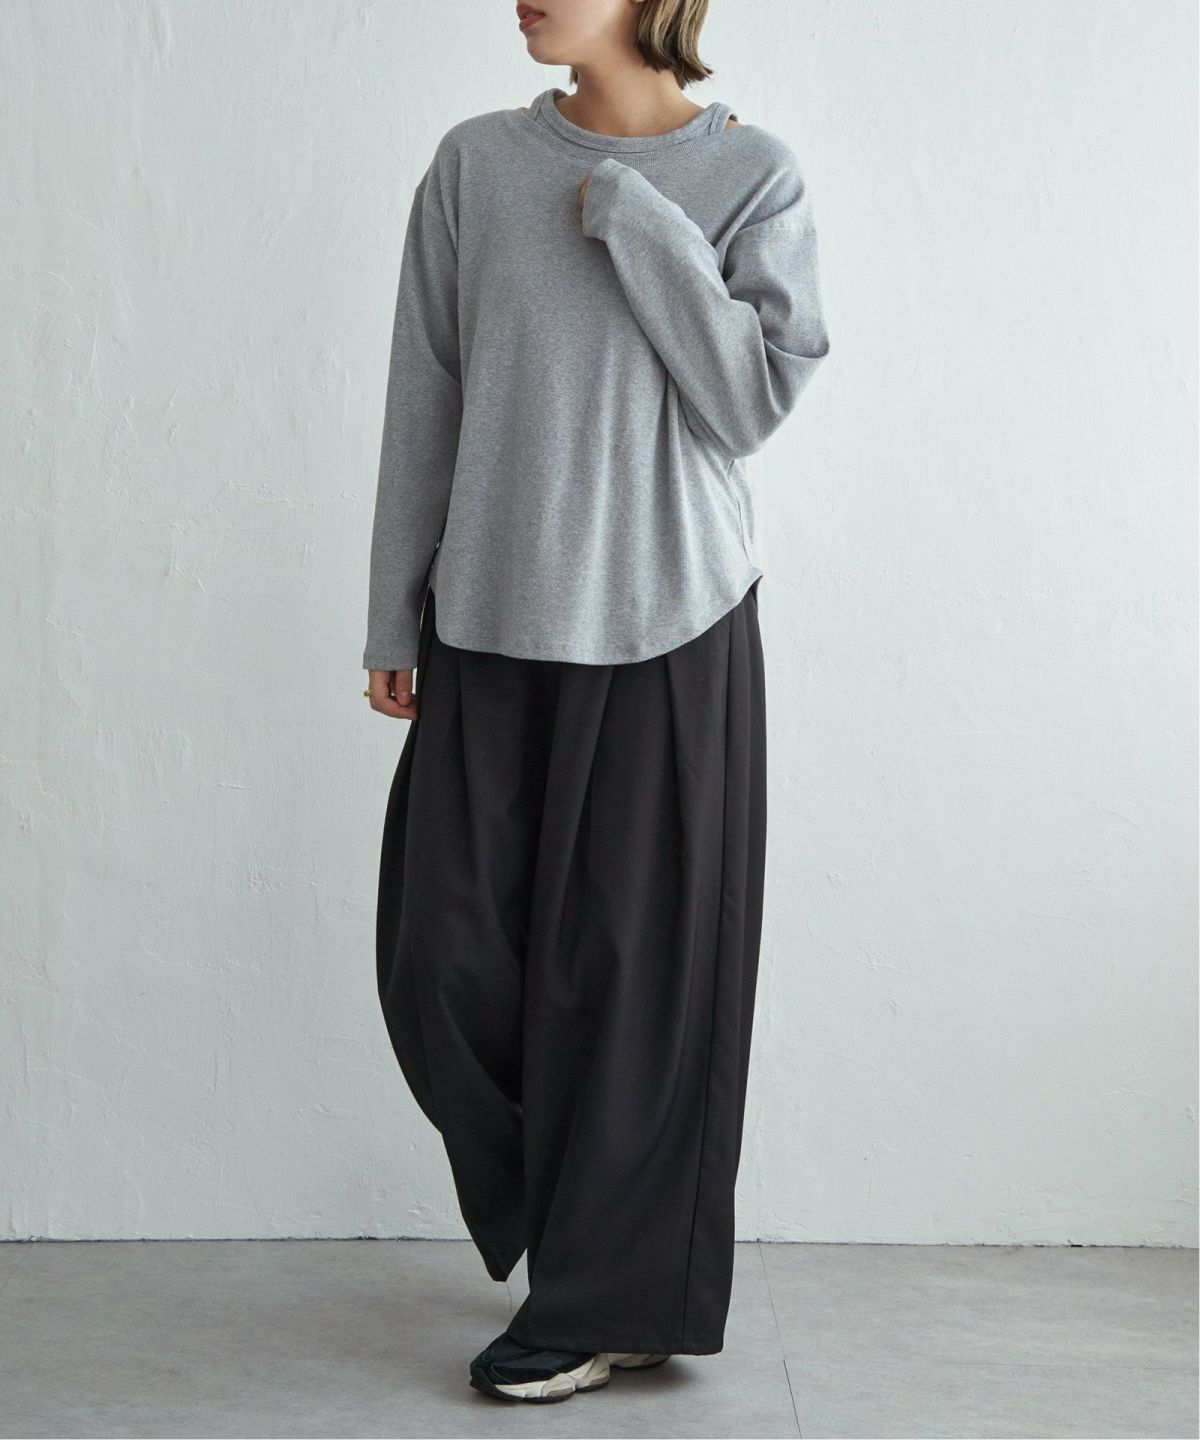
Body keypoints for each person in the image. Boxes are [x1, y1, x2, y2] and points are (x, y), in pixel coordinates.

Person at [362, 0, 830, 1406]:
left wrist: (639, 224)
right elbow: (426, 392)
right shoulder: (474, 164)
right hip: (490, 620)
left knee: (637, 987)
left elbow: (749, 402)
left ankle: (606, 1297)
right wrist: (394, 609)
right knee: (439, 959)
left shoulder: (752, 176)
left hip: (671, 621)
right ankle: (593, 1230)